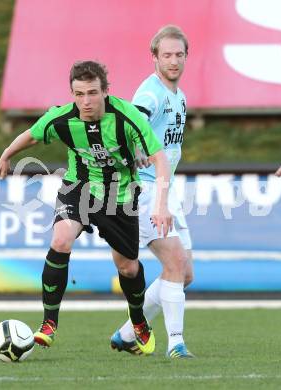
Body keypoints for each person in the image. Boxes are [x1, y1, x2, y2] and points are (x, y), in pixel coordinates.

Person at [0, 60, 172, 355]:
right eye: (79, 94)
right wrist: (6, 155)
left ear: (106, 91)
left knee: (127, 268)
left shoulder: (127, 117)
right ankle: (48, 324)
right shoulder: (62, 118)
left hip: (120, 194)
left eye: (92, 93)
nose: (86, 101)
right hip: (78, 187)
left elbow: (160, 157)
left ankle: (139, 321)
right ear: (72, 94)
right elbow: (32, 134)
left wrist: (161, 203)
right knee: (60, 240)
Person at [110, 25, 195, 358]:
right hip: (144, 188)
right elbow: (128, 126)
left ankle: (129, 332)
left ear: (186, 56)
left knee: (185, 273)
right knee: (174, 262)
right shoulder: (151, 93)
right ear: (155, 57)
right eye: (167, 55)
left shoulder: (179, 95)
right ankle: (176, 343)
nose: (173, 61)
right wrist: (134, 148)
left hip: (165, 186)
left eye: (179, 54)